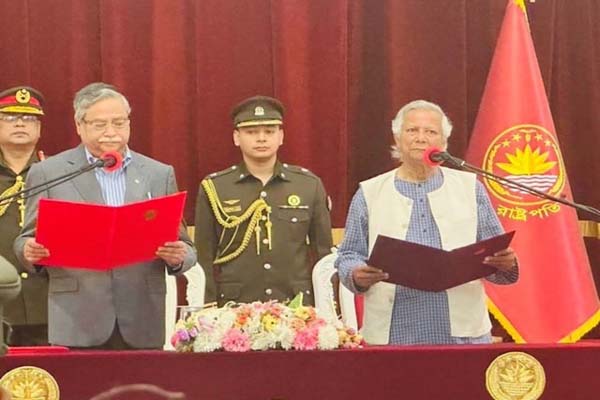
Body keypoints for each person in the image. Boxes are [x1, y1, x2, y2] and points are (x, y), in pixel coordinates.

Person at [14, 82, 197, 349]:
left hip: (141, 317)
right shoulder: (49, 172)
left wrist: (179, 256)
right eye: (100, 125)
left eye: (119, 123)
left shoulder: (158, 174)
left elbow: (188, 248)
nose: (111, 132)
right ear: (80, 125)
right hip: (76, 317)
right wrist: (29, 251)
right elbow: (24, 240)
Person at [335, 99, 518, 345]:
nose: (421, 138)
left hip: (463, 333)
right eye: (412, 130)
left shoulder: (470, 189)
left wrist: (506, 263)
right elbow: (348, 254)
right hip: (394, 332)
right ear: (397, 139)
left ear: (443, 143)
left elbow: (495, 255)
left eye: (431, 132)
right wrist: (356, 274)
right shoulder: (370, 192)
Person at [195, 95, 332, 306]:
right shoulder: (215, 187)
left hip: (296, 307)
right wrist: (207, 309)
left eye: (269, 131)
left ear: (281, 136)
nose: (261, 138)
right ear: (236, 137)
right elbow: (204, 256)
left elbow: (324, 257)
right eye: (251, 132)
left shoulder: (308, 185)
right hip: (235, 308)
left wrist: (327, 309)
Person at [0, 86, 49, 346]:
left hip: (48, 305)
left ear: (39, 129)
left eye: (29, 118)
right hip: (1, 305)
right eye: (10, 117)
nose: (20, 123)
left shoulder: (57, 173)